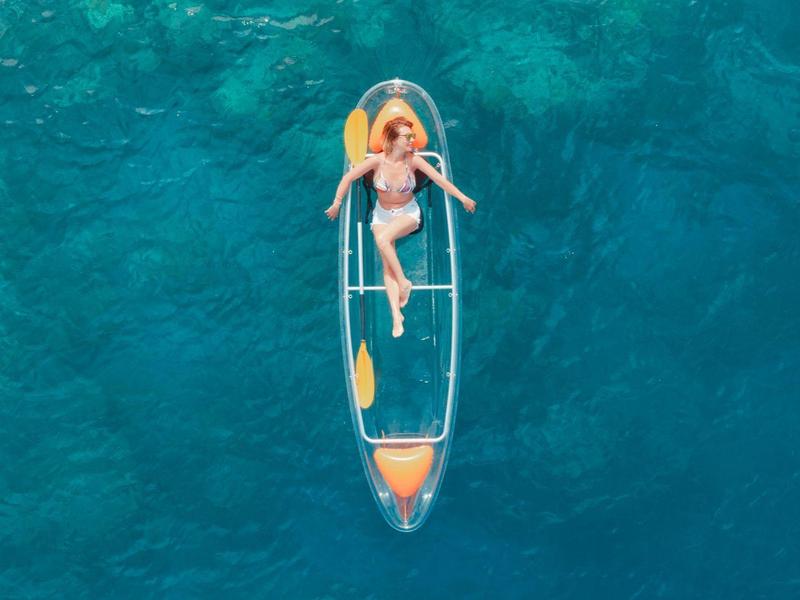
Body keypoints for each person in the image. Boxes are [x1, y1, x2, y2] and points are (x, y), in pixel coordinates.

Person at [326, 116, 477, 338]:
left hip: (408, 213)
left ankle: (405, 283)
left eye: (412, 136)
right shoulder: (377, 161)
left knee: (383, 240)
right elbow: (348, 178)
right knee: (387, 265)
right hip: (382, 214)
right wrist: (337, 203)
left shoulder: (413, 161)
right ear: (394, 140)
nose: (412, 140)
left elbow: (440, 180)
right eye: (408, 137)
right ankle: (397, 316)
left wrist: (463, 198)